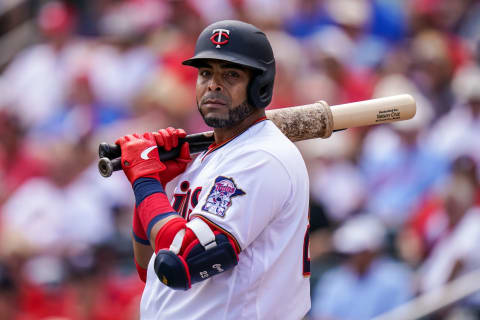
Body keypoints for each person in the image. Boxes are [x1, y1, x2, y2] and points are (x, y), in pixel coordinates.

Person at [113, 20, 311, 319]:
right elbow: (150, 267)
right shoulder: (206, 160)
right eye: (206, 73)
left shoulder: (262, 156)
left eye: (230, 74)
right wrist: (157, 183)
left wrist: (145, 181)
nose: (213, 85)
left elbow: (182, 262)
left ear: (260, 86)